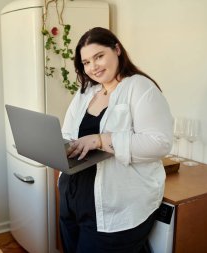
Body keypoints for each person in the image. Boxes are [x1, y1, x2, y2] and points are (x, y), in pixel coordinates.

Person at [59, 27, 173, 253]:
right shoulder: (85, 92)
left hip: (117, 207)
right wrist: (53, 147)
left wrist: (101, 140)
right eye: (86, 62)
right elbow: (67, 133)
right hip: (73, 197)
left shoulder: (140, 88)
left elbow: (160, 143)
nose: (93, 67)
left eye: (99, 56)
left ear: (117, 50)